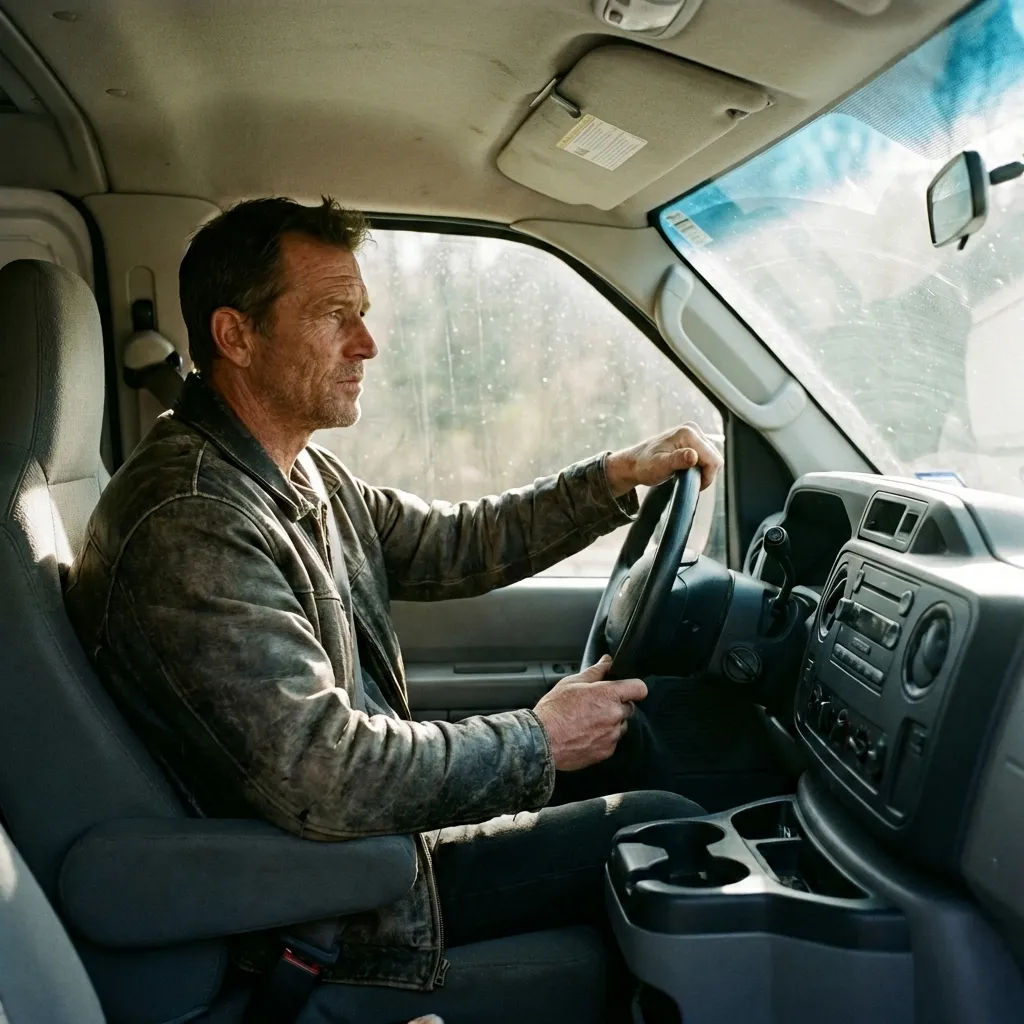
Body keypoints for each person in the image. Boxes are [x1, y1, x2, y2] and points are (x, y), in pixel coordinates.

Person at [64, 197, 722, 1016]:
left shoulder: (294, 473)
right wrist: (541, 738)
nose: (368, 344)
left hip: (366, 853)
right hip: (322, 909)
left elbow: (451, 543)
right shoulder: (193, 519)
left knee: (655, 813)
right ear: (236, 336)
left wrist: (617, 477)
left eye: (364, 314)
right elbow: (326, 772)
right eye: (335, 316)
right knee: (667, 835)